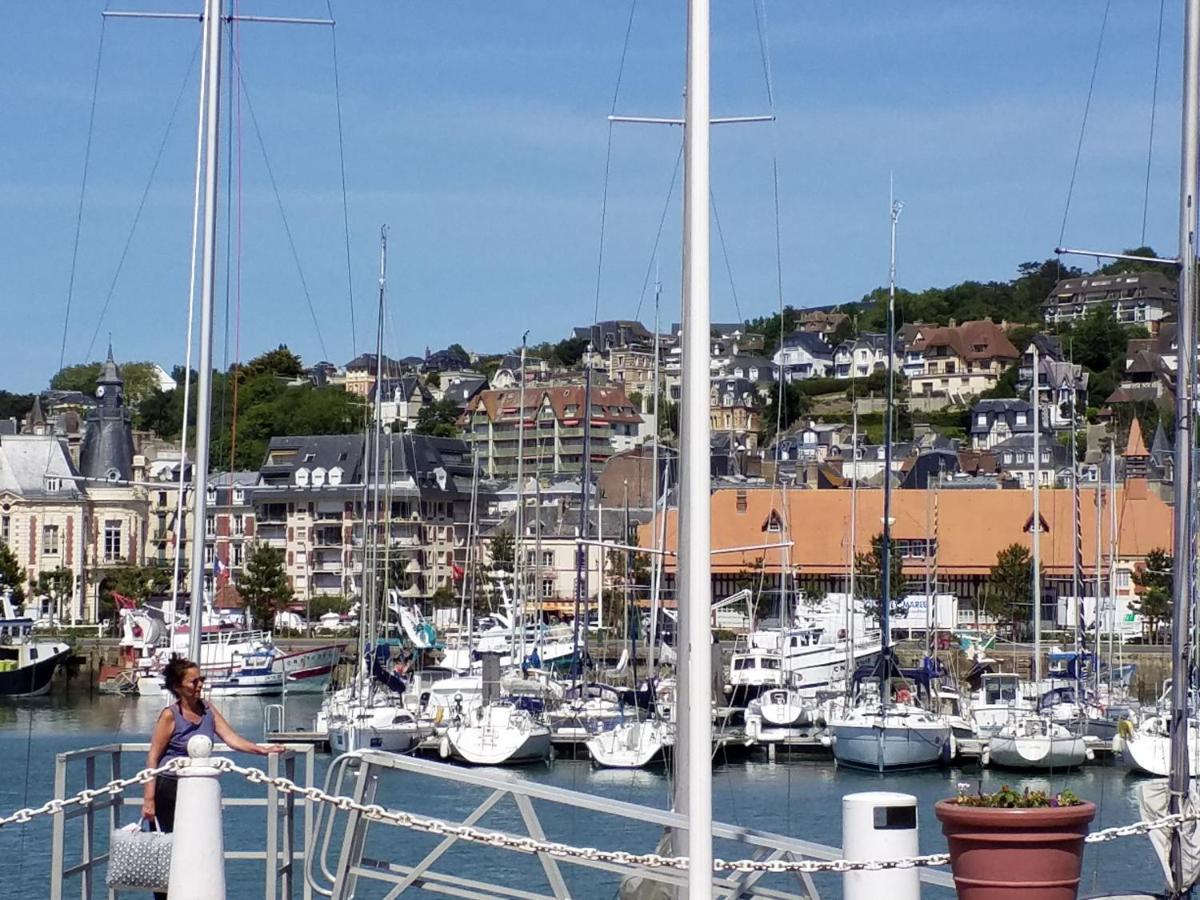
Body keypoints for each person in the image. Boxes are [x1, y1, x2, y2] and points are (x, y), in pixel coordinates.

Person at [142, 656, 284, 900]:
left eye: (201, 679)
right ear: (178, 686)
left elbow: (231, 737)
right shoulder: (170, 715)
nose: (199, 685)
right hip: (169, 787)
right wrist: (149, 799)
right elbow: (153, 758)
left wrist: (262, 750)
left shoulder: (207, 709)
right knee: (168, 850)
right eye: (193, 681)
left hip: (199, 789)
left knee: (197, 846)